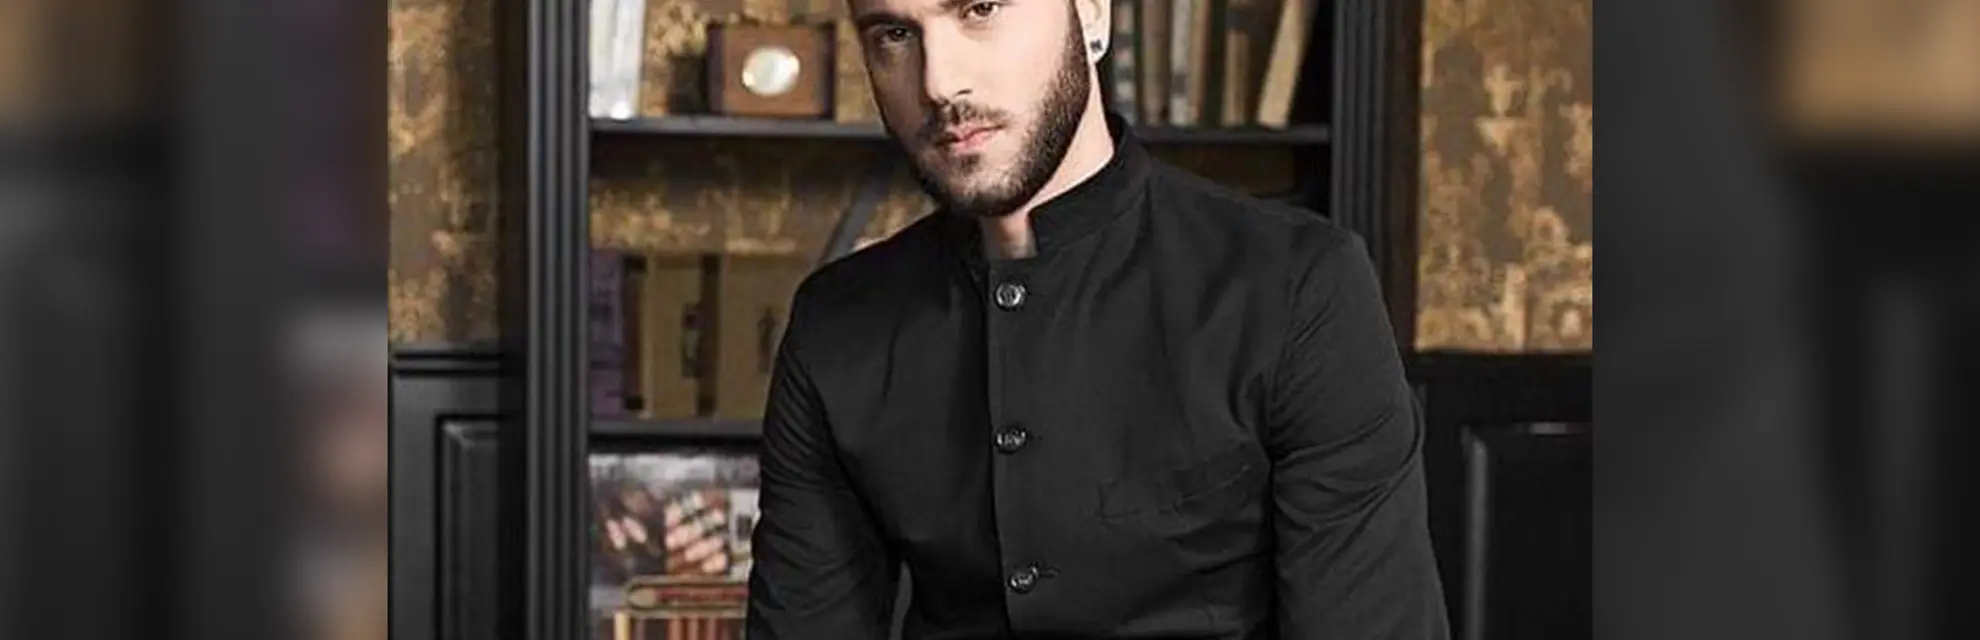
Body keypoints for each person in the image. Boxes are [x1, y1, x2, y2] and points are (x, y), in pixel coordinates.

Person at [744, 0, 1449, 637]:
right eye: (895, 35)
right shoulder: (836, 326)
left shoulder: (1298, 287)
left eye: (981, 9)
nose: (939, 82)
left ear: (1092, 14)